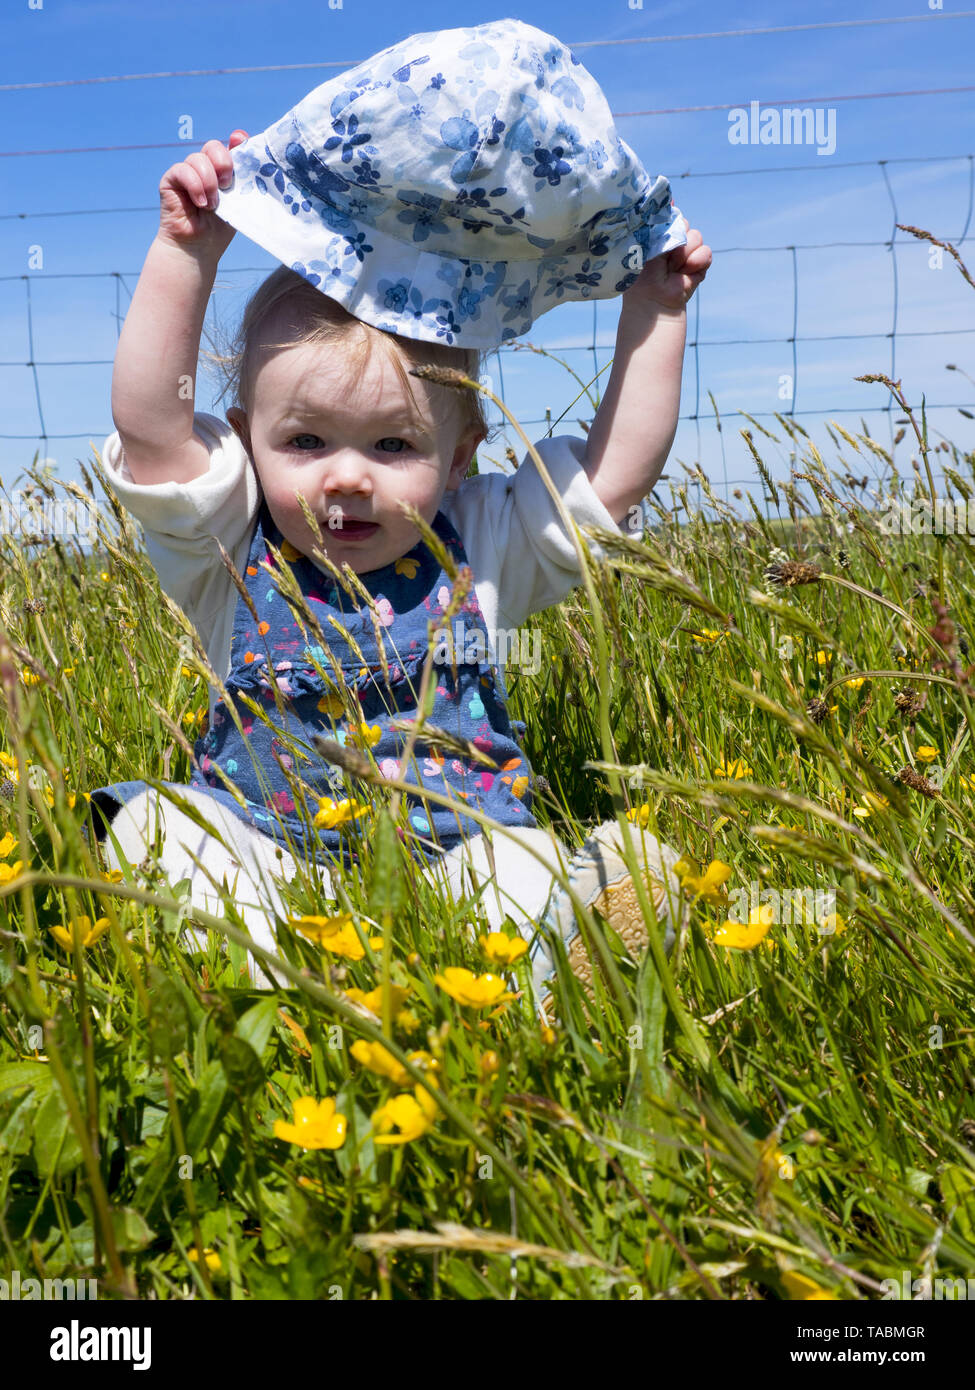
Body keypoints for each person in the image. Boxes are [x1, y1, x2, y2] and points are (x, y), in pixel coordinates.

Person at [87, 19, 711, 1001]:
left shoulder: (486, 535)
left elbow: (615, 473)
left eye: (393, 447)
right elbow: (151, 428)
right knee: (163, 831)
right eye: (304, 442)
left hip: (456, 845)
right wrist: (187, 252)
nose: (347, 478)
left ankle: (569, 947)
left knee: (518, 873)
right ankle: (256, 992)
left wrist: (658, 311)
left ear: (460, 457)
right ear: (246, 438)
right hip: (267, 846)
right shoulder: (226, 542)